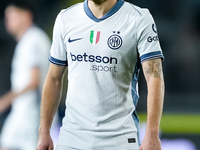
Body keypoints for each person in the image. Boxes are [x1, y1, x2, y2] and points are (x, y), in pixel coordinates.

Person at [37, 0, 165, 150]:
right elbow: (53, 79)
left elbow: (155, 78)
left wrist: (152, 132)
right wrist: (44, 131)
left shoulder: (138, 19)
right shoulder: (66, 18)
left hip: (119, 139)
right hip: (71, 138)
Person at [0, 1, 52, 150]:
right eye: (6, 16)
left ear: (26, 16)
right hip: (21, 114)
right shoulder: (26, 41)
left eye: (12, 15)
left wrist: (4, 102)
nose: (7, 19)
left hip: (32, 117)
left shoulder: (33, 40)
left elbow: (33, 81)